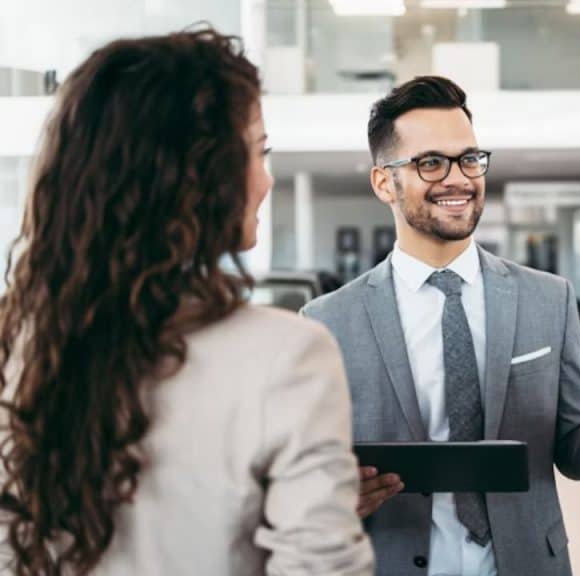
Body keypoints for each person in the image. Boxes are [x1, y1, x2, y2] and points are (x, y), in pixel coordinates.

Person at [0, 29, 373, 575]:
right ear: (200, 173)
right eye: (258, 151)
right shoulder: (290, 355)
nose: (266, 179)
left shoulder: (22, 343)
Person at [301, 76, 580, 576]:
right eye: (431, 163)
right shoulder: (326, 323)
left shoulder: (548, 299)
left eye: (469, 159)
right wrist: (331, 498)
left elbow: (574, 454)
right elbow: (306, 480)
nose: (458, 179)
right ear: (384, 182)